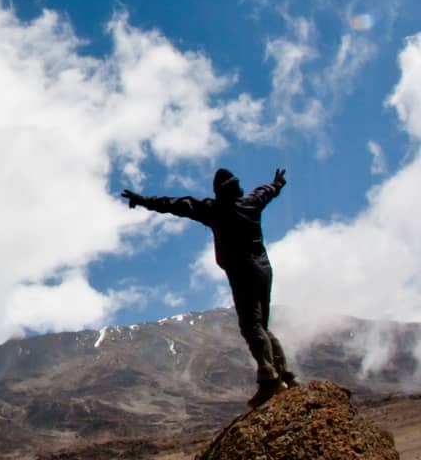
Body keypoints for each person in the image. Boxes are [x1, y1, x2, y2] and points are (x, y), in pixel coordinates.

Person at [121, 167, 294, 407]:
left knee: (251, 325)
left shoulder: (215, 211)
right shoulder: (251, 203)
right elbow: (266, 191)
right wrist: (277, 183)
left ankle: (269, 380)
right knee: (261, 325)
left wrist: (142, 201)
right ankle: (285, 375)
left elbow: (176, 204)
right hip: (263, 270)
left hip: (242, 272)